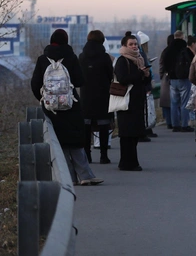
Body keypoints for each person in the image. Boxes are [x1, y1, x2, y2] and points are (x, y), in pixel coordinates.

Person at [31, 29, 103, 185]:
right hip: (70, 106)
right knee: (76, 140)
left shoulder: (42, 59)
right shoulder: (71, 58)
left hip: (51, 109)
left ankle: (69, 179)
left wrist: (45, 99)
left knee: (59, 142)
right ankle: (85, 175)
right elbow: (79, 81)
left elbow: (35, 84)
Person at [114, 32, 151, 171]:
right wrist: (140, 73)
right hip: (126, 101)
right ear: (125, 46)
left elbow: (141, 80)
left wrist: (146, 75)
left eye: (136, 44)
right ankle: (128, 163)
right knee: (127, 134)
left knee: (134, 134)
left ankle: (129, 162)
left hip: (137, 101)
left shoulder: (139, 59)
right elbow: (123, 79)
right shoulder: (122, 60)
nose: (134, 46)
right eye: (131, 44)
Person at [79, 30, 114, 164]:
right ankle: (103, 155)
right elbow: (111, 75)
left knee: (86, 127)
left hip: (86, 96)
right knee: (103, 126)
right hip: (102, 96)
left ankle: (87, 155)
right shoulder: (104, 57)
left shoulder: (81, 57)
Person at [163, 31, 194, 132]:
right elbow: (192, 62)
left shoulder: (168, 49)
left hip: (172, 79)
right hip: (184, 78)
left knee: (174, 103)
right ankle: (185, 125)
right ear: (182, 37)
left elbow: (164, 63)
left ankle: (175, 125)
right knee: (185, 102)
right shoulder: (185, 49)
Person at [158, 34, 174, 129]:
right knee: (176, 102)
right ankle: (177, 121)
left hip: (166, 78)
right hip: (176, 78)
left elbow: (161, 65)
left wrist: (161, 76)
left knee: (166, 102)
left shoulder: (165, 51)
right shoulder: (180, 50)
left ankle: (169, 122)